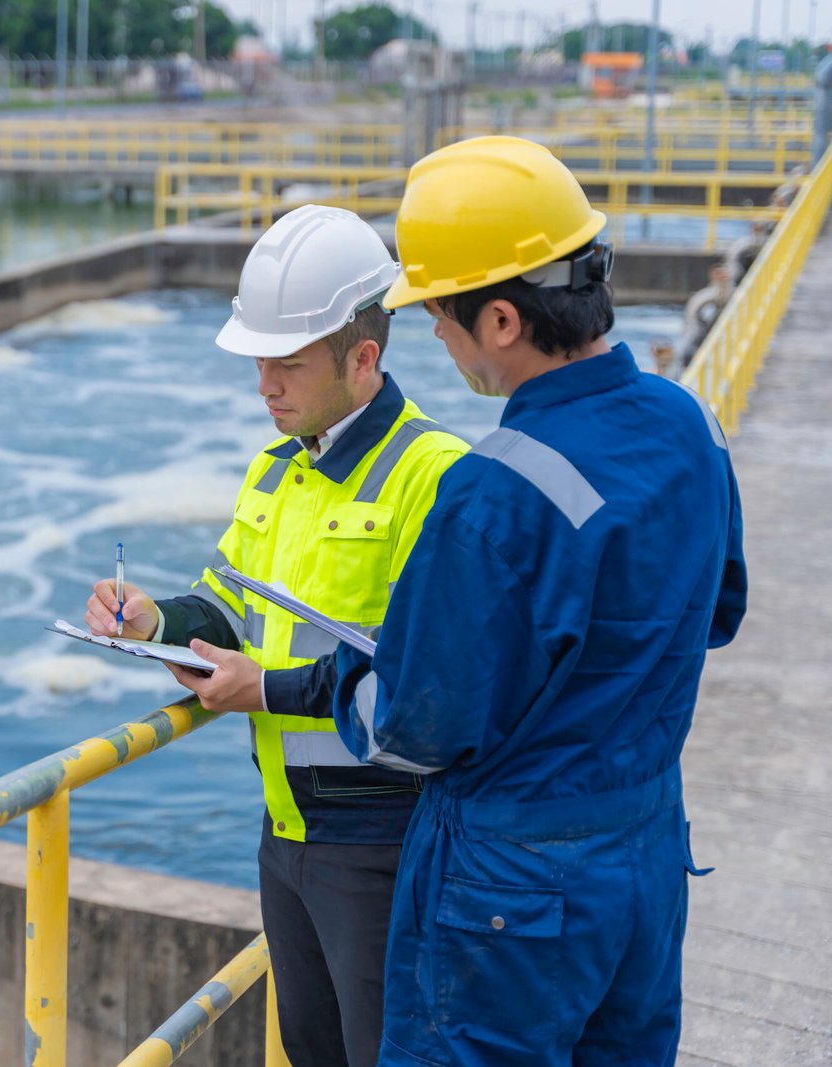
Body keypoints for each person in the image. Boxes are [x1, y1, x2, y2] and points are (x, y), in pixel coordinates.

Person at [251, 136, 747, 1065]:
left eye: (440, 312)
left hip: (508, 891)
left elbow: (412, 724)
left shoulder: (495, 492)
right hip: (642, 853)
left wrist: (349, 670)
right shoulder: (692, 424)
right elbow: (719, 611)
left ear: (505, 321)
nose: (432, 333)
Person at [84, 204, 468, 1067]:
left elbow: (426, 672)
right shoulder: (276, 469)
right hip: (287, 834)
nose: (266, 384)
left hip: (382, 839)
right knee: (307, 1048)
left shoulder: (434, 476)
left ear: (363, 358)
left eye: (287, 363)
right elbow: (223, 603)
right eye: (258, 361)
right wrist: (154, 622)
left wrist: (261, 687)